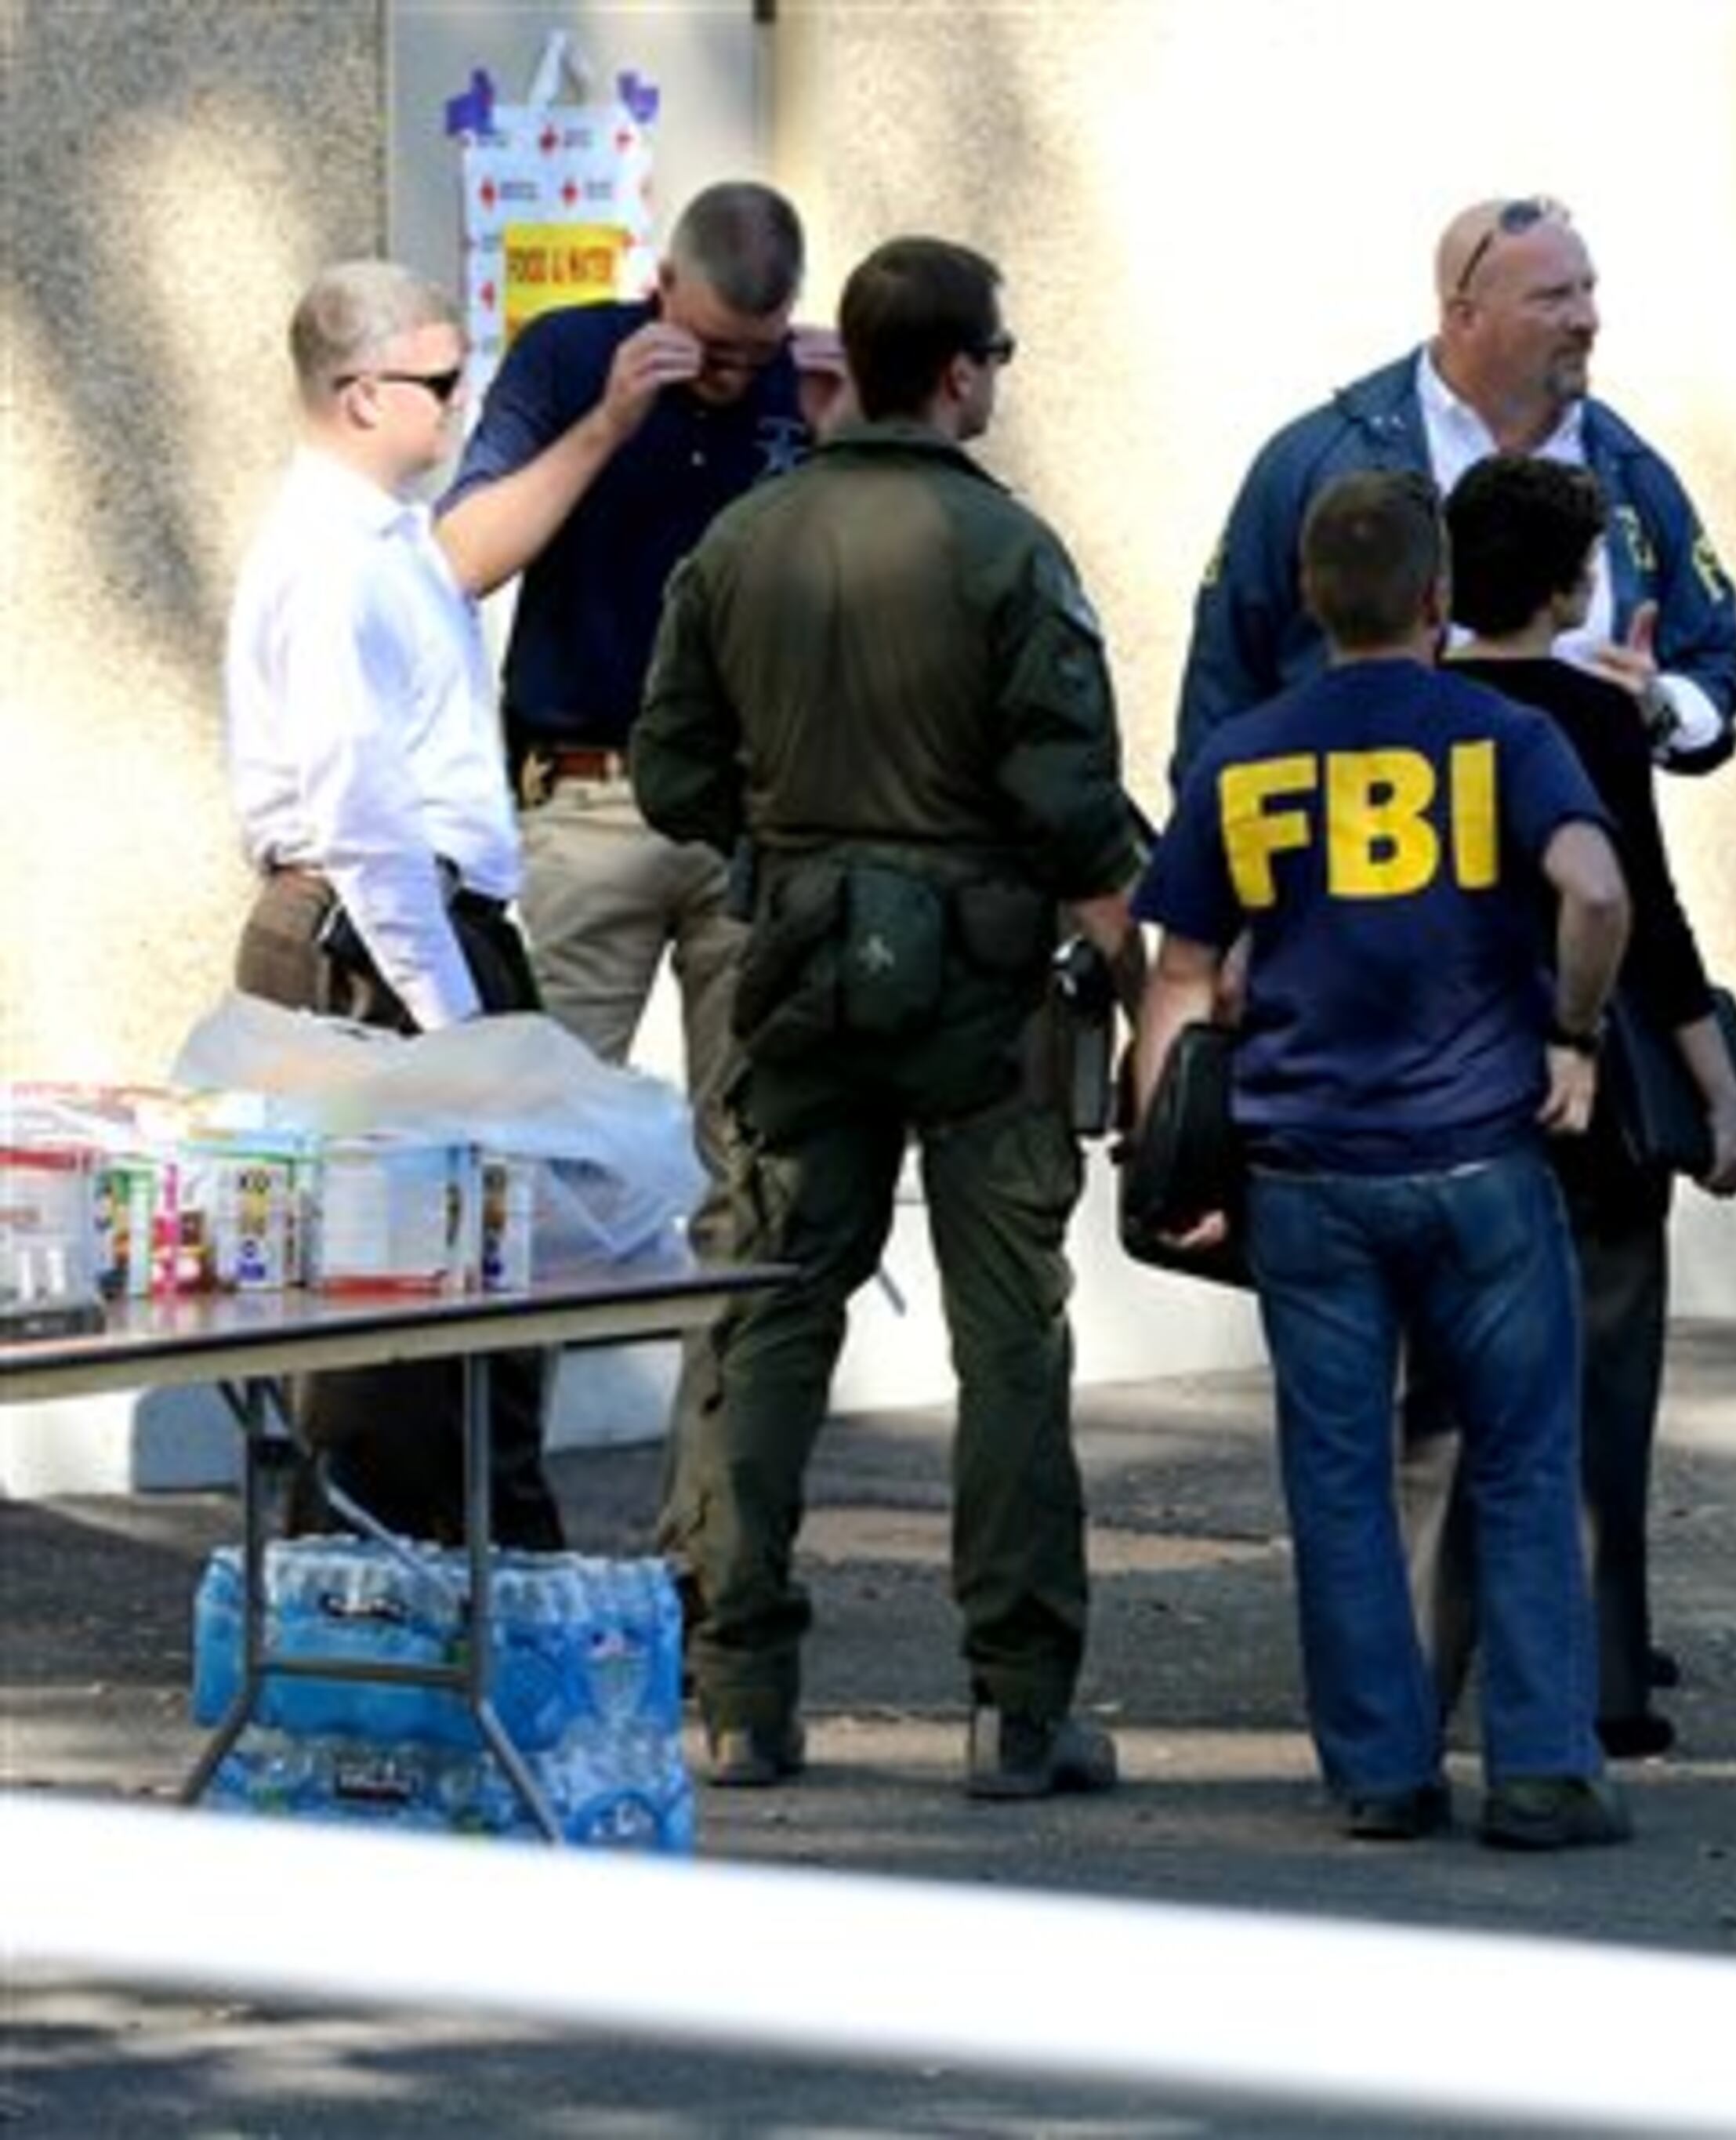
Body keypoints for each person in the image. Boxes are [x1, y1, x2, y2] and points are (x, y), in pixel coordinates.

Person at [632, 235, 1147, 1801]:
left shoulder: (743, 538)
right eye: (997, 358)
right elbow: (1069, 807)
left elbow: (669, 774)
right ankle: (1015, 1704)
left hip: (791, 966)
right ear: (962, 369)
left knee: (772, 1312)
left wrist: (789, 849)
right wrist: (1141, 965)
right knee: (1008, 1339)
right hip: (981, 988)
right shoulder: (1008, 552)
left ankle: (739, 1695)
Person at [1131, 469, 1636, 1852]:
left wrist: (1165, 1155)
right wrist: (1573, 1034)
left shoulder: (1246, 757)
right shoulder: (1501, 738)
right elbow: (1594, 889)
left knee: (1338, 1475)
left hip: (1307, 1175)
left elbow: (1177, 977)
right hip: (1481, 1158)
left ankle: (1382, 1774)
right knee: (1525, 1462)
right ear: (1434, 598)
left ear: (1308, 598)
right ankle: (1541, 1770)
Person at [437, 180, 841, 1577]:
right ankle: (510, 1536)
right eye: (714, 347)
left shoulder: (812, 389)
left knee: (753, 1179)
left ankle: (706, 1560)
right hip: (586, 797)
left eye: (757, 351)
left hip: (753, 817)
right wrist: (614, 416)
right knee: (532, 1174)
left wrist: (845, 443)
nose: (733, 377)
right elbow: (457, 562)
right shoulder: (568, 355)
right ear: (660, 286)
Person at [1404, 455, 1736, 1761]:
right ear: (1574, 587)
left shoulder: (1412, 706)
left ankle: (1418, 1678)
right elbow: (1645, 919)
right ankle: (1606, 1679)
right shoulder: (1597, 718)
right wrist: (1722, 1099)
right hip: (1591, 1081)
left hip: (1440, 1079)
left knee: (1445, 1397)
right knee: (1602, 1387)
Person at [222, 259, 560, 1550]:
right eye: (440, 384)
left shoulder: (385, 542)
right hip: (376, 943)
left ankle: (466, 1593)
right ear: (363, 396)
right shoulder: (331, 558)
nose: (459, 409)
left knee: (467, 1318)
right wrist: (454, 1023)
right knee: (393, 1341)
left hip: (418, 928)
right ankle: (383, 1622)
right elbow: (361, 813)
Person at [1172, 194, 1736, 787]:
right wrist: (1207, 861)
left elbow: (1715, 657)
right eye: (1553, 297)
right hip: (1364, 860)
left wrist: (1663, 708)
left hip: (1579, 861)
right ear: (1464, 316)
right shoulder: (1318, 464)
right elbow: (1224, 683)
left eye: (1588, 289)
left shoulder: (1629, 469)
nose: (1587, 318)